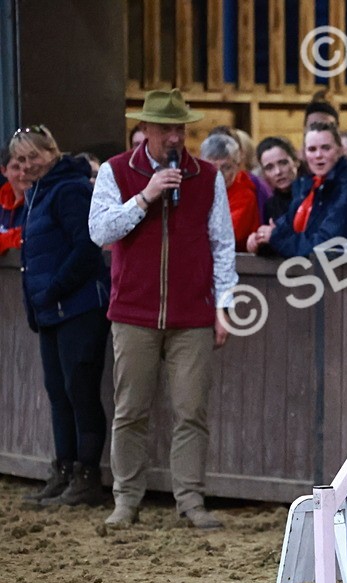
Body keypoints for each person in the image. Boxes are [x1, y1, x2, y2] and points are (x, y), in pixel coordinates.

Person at [88, 88, 237, 530]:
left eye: (180, 128)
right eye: (166, 128)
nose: (175, 137)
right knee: (130, 410)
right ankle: (126, 500)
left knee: (192, 411)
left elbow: (222, 245)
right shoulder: (117, 172)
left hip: (192, 314)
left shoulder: (207, 177)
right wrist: (145, 196)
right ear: (145, 129)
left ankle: (190, 500)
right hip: (133, 313)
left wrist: (224, 306)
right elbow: (99, 231)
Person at [11, 126, 112, 505]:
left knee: (80, 391)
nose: (25, 166)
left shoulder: (69, 189)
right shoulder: (38, 193)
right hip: (52, 311)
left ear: (51, 152)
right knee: (58, 392)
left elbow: (87, 247)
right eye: (19, 160)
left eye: (32, 156)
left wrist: (53, 290)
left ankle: (87, 475)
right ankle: (64, 468)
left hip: (79, 307)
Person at [247, 121, 347, 257]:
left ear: (340, 150)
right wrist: (261, 240)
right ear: (304, 154)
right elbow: (288, 233)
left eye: (325, 148)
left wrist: (276, 237)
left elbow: (325, 246)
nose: (318, 155)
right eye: (312, 149)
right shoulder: (310, 187)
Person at [200, 132, 261, 252]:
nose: (218, 175)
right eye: (211, 168)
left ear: (237, 166)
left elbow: (225, 236)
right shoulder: (198, 189)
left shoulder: (245, 195)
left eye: (226, 167)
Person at [256, 136, 299, 222]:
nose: (278, 172)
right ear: (264, 173)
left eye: (283, 163)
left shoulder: (314, 194)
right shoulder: (269, 206)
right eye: (269, 167)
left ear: (296, 162)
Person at [0, 143, 30, 254]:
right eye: (16, 167)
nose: (23, 173)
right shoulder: (2, 198)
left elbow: (32, 237)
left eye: (27, 167)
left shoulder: (43, 201)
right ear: (4, 171)